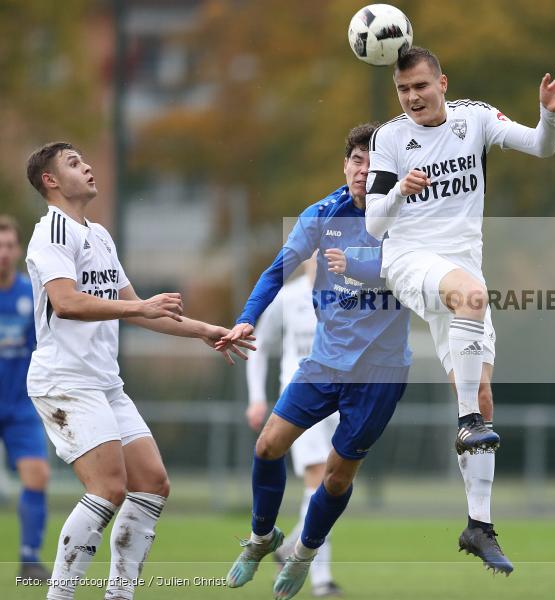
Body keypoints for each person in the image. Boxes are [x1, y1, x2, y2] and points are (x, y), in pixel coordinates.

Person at [365, 46, 555, 573]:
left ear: (443, 83)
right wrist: (400, 191)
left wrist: (547, 114)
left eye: (420, 86)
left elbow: (541, 147)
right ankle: (466, 422)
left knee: (482, 391)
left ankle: (478, 525)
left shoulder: (474, 119)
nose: (412, 97)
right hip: (410, 261)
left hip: (461, 271)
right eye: (403, 89)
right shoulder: (389, 139)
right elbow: (373, 223)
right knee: (473, 302)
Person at [23, 142, 252, 600]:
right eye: (73, 163)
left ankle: (120, 595)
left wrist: (205, 330)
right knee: (108, 488)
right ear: (50, 181)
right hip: (65, 381)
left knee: (152, 483)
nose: (87, 166)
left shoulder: (100, 235)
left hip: (104, 383)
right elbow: (65, 303)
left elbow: (140, 310)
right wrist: (140, 307)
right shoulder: (52, 233)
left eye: (84, 160)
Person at [217, 123, 411, 600]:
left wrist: (360, 267)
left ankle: (305, 555)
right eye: (357, 161)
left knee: (337, 477)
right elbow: (276, 271)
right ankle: (261, 538)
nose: (363, 171)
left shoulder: (406, 219)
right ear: (344, 165)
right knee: (268, 446)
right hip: (324, 364)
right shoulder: (323, 215)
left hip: (380, 374)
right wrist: (246, 319)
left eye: (374, 164)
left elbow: (411, 278)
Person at [245, 265, 342, 597]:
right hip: (301, 399)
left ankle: (291, 548)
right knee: (319, 480)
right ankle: (320, 578)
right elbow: (258, 344)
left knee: (338, 484)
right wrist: (257, 398)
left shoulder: (350, 293)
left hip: (341, 400)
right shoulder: (287, 297)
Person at [0, 215, 52, 581]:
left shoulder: (30, 295)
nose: (3, 253)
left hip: (20, 406)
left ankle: (29, 560)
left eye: (8, 245)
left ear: (19, 250)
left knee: (37, 475)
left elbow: (44, 346)